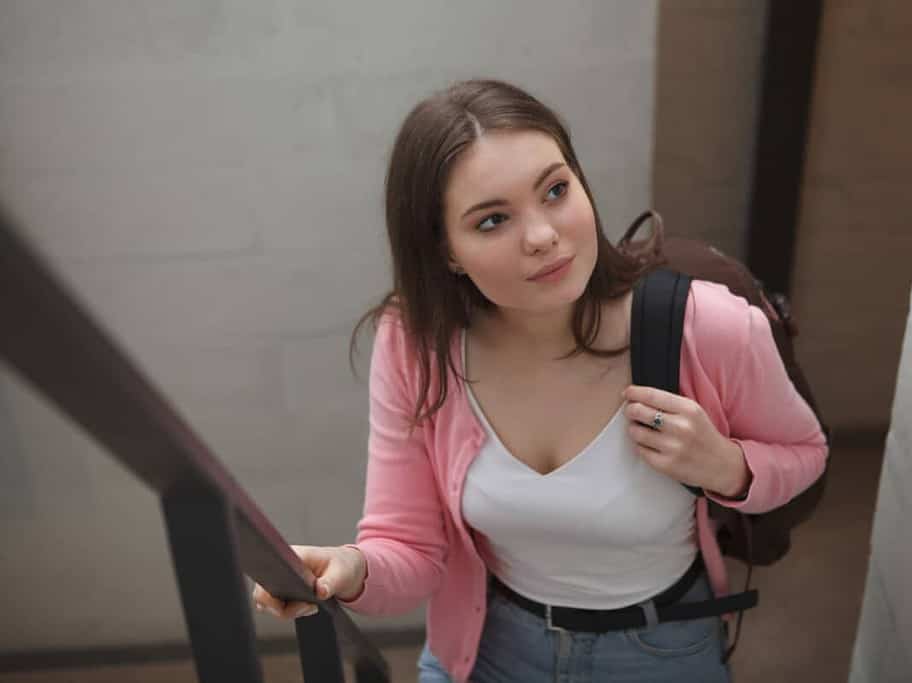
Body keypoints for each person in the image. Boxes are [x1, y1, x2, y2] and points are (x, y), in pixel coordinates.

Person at [251, 78, 828, 683]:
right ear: (446, 251)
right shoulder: (417, 340)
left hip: (661, 653)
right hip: (488, 645)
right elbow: (410, 547)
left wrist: (727, 467)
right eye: (493, 220)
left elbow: (806, 452)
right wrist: (349, 569)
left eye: (555, 190)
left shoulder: (706, 325)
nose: (542, 236)